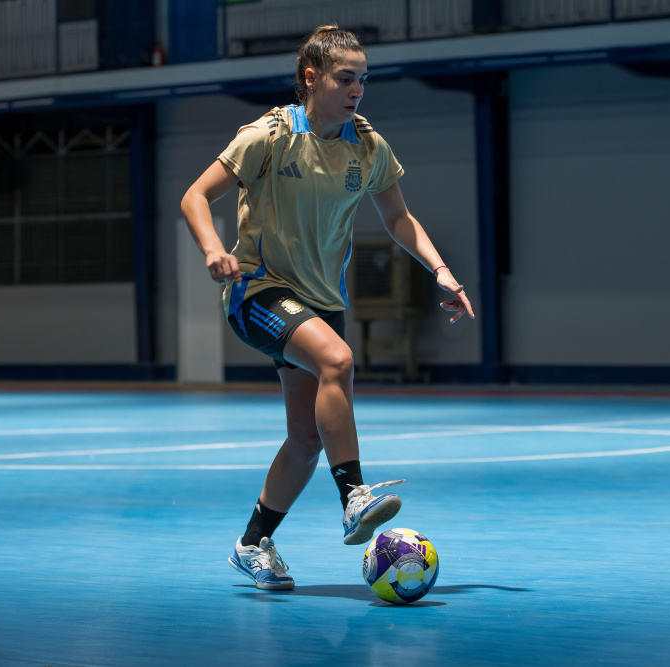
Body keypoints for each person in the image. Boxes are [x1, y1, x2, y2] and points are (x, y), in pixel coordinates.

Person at [181, 24, 474, 591]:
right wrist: (215, 250)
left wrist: (441, 271)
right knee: (337, 360)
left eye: (363, 79)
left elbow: (398, 219)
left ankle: (251, 544)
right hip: (259, 291)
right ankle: (354, 496)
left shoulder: (367, 147)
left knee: (307, 438)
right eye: (346, 78)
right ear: (311, 79)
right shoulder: (267, 136)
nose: (357, 89)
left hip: (320, 300)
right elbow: (195, 195)